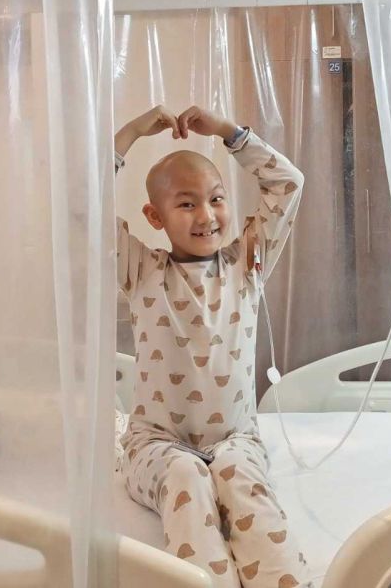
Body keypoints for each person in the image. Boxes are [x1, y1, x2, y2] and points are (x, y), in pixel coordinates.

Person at [114, 104, 309, 588]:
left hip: (235, 439)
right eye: (186, 204)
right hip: (156, 444)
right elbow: (81, 203)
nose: (206, 215)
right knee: (185, 475)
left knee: (242, 482)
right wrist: (132, 132)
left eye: (217, 199)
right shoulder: (142, 270)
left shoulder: (247, 262)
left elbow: (288, 184)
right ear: (154, 216)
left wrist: (230, 133)